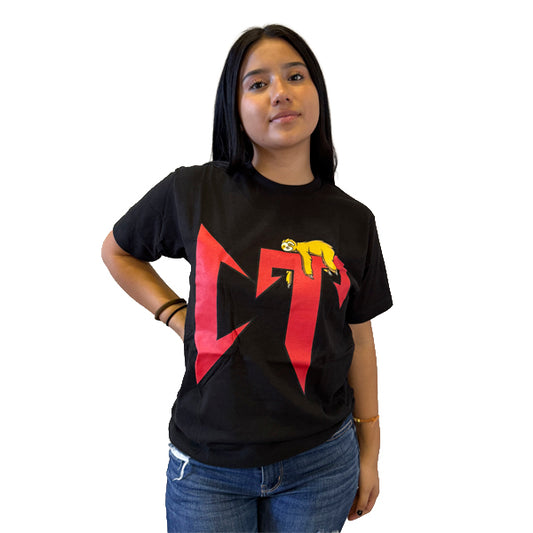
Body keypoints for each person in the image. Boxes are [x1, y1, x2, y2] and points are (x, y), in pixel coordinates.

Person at [102, 24, 393, 533]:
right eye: (257, 83)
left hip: (322, 461)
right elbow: (118, 252)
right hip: (209, 466)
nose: (280, 91)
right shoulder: (194, 191)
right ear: (233, 107)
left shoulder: (353, 220)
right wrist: (175, 315)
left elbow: (359, 337)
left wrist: (370, 449)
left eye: (295, 76)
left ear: (317, 92)